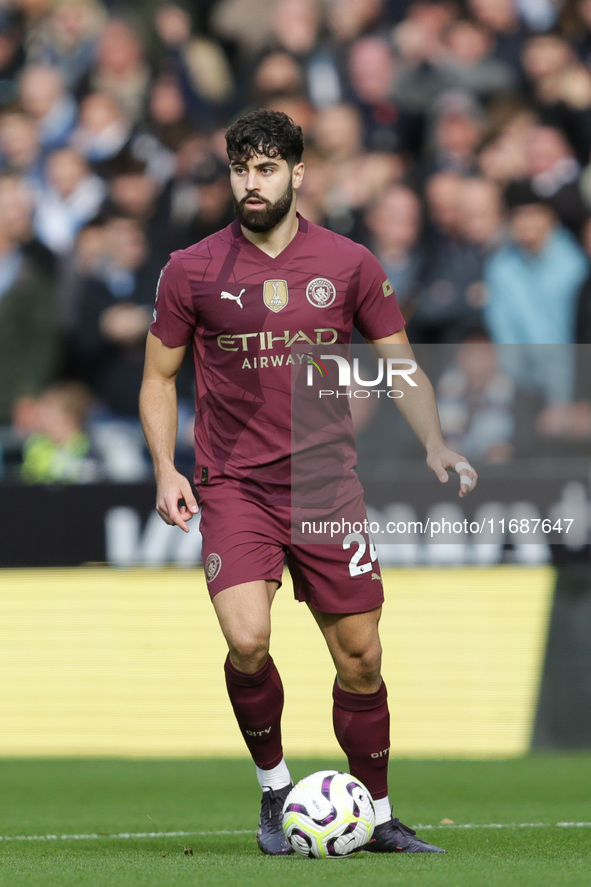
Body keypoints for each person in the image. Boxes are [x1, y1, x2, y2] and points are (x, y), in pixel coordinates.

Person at [139, 109, 478, 857]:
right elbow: (159, 378)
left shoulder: (349, 263)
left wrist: (434, 441)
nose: (250, 183)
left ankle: (380, 812)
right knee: (247, 638)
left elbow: (400, 362)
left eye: (265, 169)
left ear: (298, 173)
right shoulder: (191, 268)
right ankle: (273, 790)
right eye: (239, 169)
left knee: (359, 655)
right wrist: (166, 468)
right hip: (235, 486)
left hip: (327, 487)